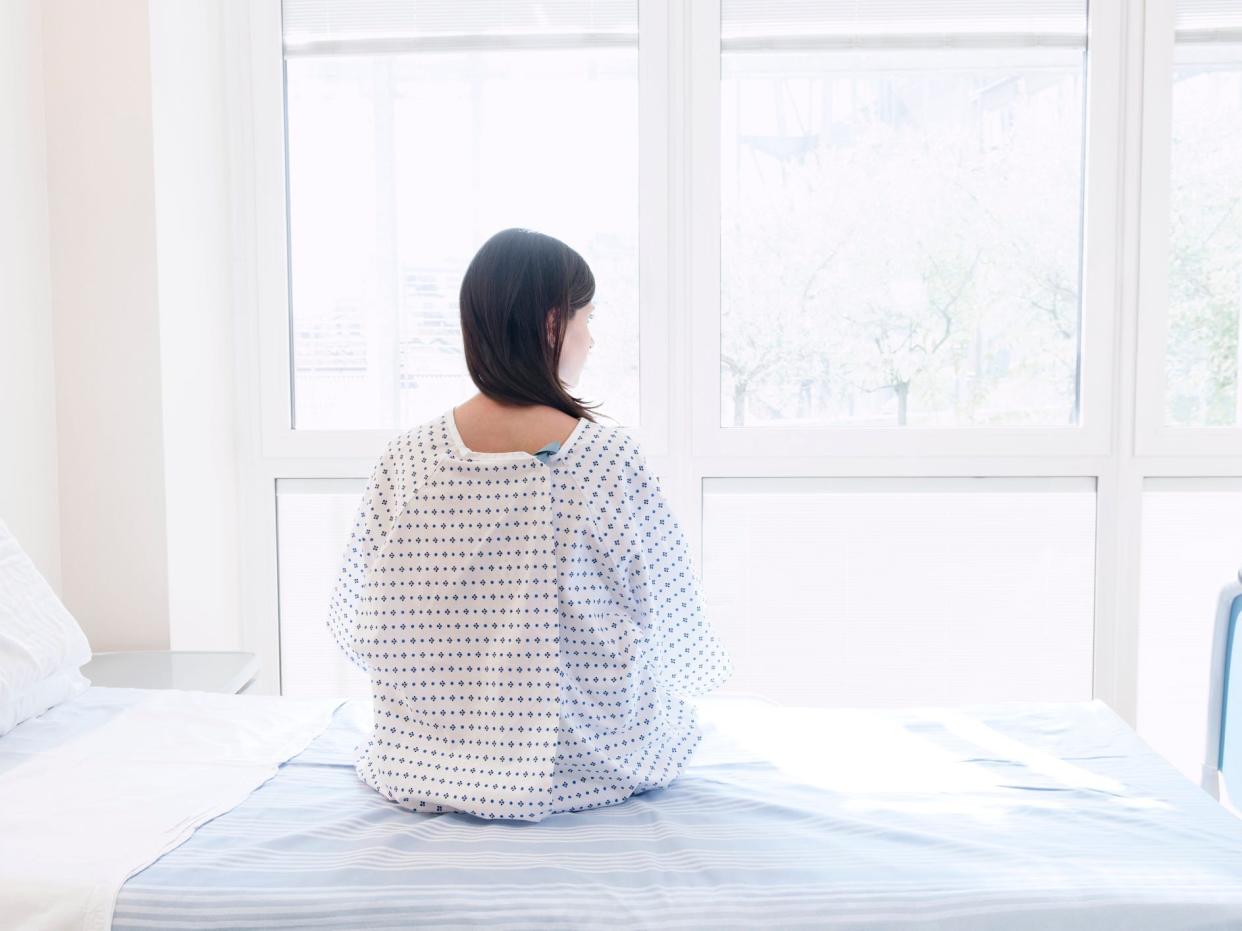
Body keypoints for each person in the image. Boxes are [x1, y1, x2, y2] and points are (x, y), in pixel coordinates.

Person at [326, 227, 732, 822]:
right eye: (586, 319)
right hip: (584, 761)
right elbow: (669, 619)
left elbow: (361, 624)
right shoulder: (605, 458)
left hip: (423, 757)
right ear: (551, 325)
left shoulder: (405, 461)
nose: (590, 340)